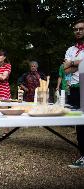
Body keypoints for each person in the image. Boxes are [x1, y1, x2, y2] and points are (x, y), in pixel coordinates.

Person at [63, 19, 84, 168]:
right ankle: (83, 155)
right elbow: (65, 69)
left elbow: (72, 65)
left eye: (81, 29)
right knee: (79, 123)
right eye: (76, 29)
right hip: (75, 88)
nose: (78, 31)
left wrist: (73, 63)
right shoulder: (70, 49)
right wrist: (79, 63)